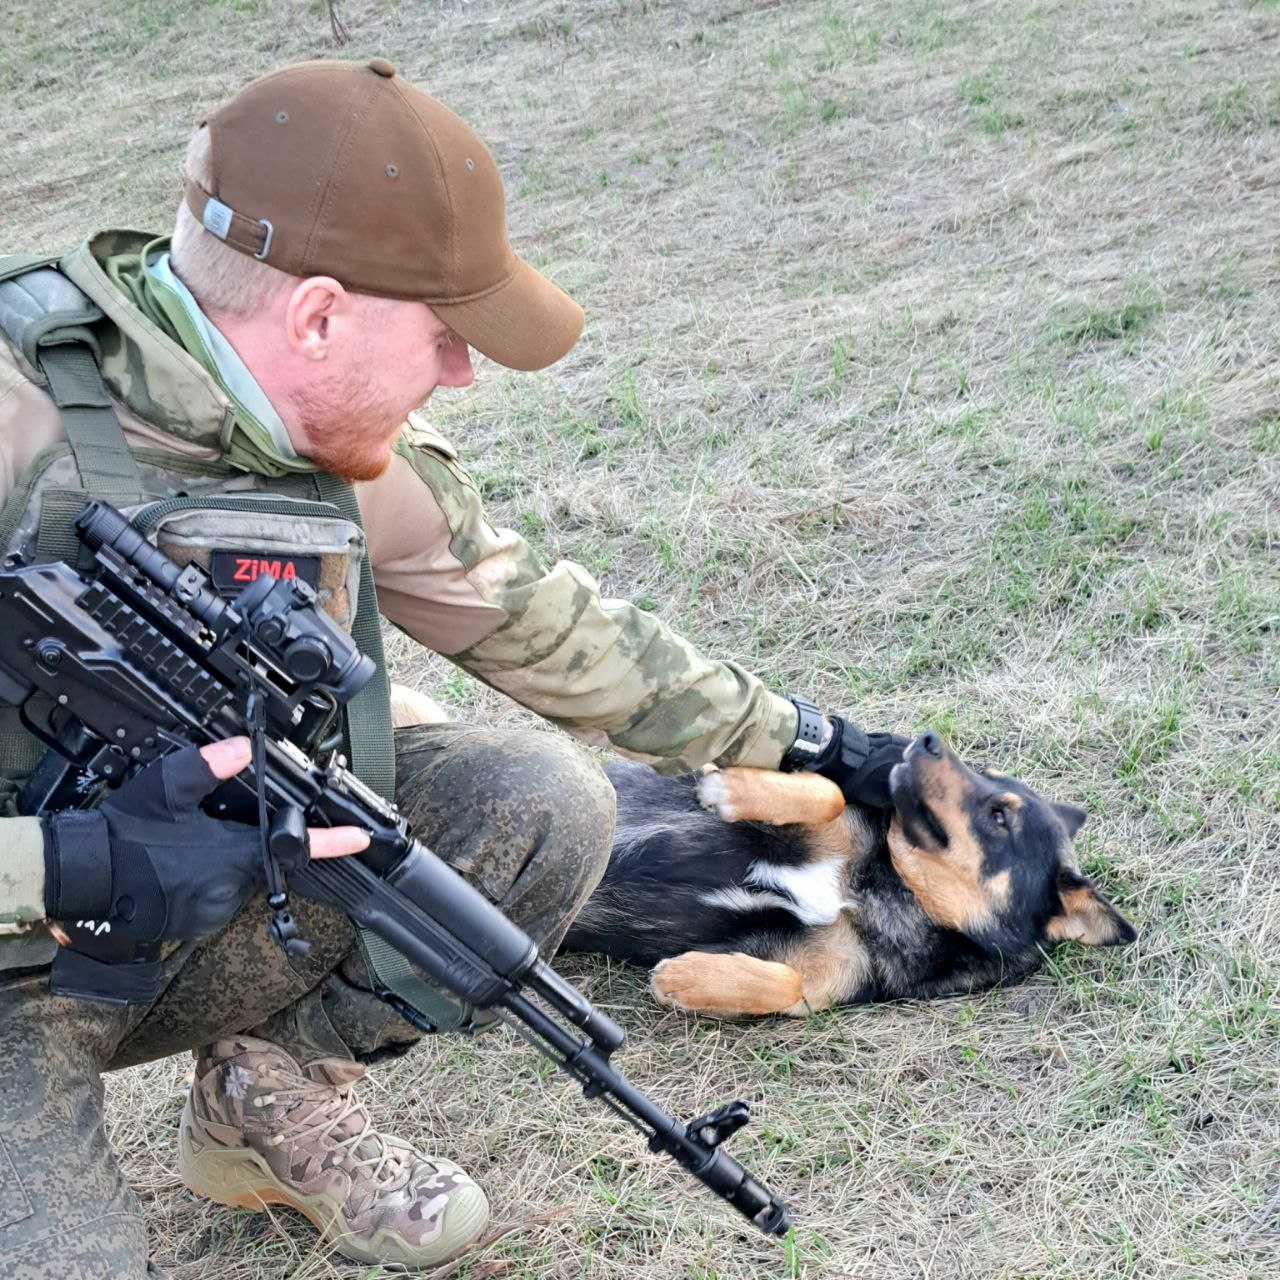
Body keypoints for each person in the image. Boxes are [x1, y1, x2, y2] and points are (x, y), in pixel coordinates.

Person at [0, 58, 906, 1278]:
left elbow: (543, 624)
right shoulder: (16, 417)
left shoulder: (339, 452)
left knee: (534, 800)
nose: (464, 373)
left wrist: (817, 743)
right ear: (317, 316)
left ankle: (263, 1100)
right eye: (441, 337)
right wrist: (76, 859)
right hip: (21, 948)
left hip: (195, 902)